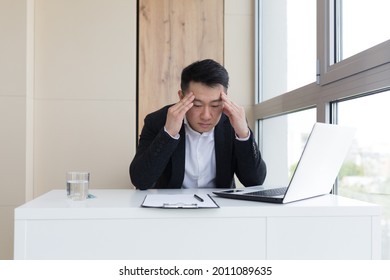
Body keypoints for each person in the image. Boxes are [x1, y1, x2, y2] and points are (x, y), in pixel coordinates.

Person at [130, 59, 266, 190]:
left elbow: (254, 181)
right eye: (197, 105)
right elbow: (141, 181)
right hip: (171, 207)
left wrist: (243, 134)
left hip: (219, 208)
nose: (206, 115)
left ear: (225, 99)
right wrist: (169, 133)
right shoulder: (158, 121)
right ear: (182, 97)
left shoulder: (232, 122)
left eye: (215, 105)